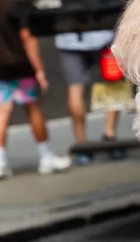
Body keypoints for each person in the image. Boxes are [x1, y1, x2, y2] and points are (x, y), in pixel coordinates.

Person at [0, 0, 71, 179]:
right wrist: (40, 70)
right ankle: (46, 157)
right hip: (21, 67)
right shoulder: (18, 4)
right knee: (34, 110)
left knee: (2, 112)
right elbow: (28, 38)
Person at [53, 27, 123, 160]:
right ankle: (110, 134)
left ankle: (82, 144)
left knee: (75, 89)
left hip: (69, 39)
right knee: (113, 83)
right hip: (102, 35)